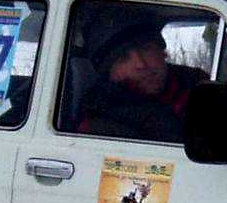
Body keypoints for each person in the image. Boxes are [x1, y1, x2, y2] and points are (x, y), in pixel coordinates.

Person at [73, 10, 205, 142]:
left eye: (146, 48)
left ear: (163, 52)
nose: (140, 64)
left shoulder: (202, 90)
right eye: (123, 58)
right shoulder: (98, 124)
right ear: (110, 75)